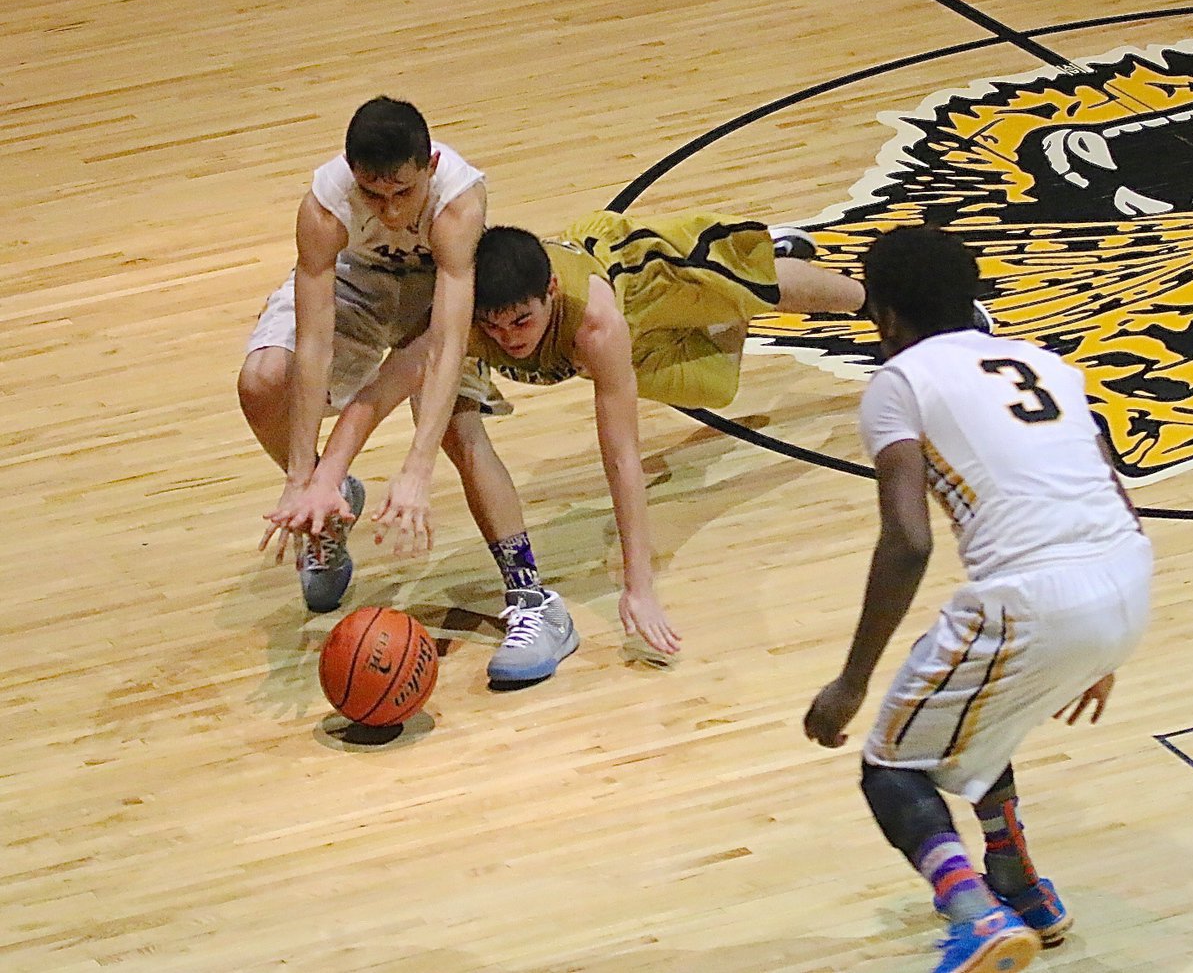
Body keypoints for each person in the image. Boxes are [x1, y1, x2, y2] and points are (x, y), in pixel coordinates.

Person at [802, 225, 1152, 973]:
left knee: (892, 766)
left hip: (1035, 596)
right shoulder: (1045, 364)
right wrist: (1100, 639)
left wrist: (852, 681)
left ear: (886, 317)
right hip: (1125, 575)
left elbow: (909, 540)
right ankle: (1020, 886)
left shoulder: (899, 383)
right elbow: (1110, 489)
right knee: (974, 716)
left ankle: (972, 913)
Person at [238, 96, 576, 685]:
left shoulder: (458, 202)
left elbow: (445, 344)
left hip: (435, 291)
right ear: (351, 175)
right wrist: (301, 475)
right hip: (357, 284)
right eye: (373, 195)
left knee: (457, 427)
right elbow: (314, 343)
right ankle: (330, 502)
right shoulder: (323, 207)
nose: (389, 210)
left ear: (429, 166)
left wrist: (416, 469)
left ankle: (534, 600)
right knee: (264, 381)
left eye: (403, 193)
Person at [467, 209, 868, 657]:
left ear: (552, 291)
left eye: (521, 322)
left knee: (753, 288)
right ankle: (736, 297)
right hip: (623, 336)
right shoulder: (465, 320)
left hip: (639, 278)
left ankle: (873, 299)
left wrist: (639, 587)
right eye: (493, 327)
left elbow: (622, 457)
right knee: (713, 389)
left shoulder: (596, 325)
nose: (507, 339)